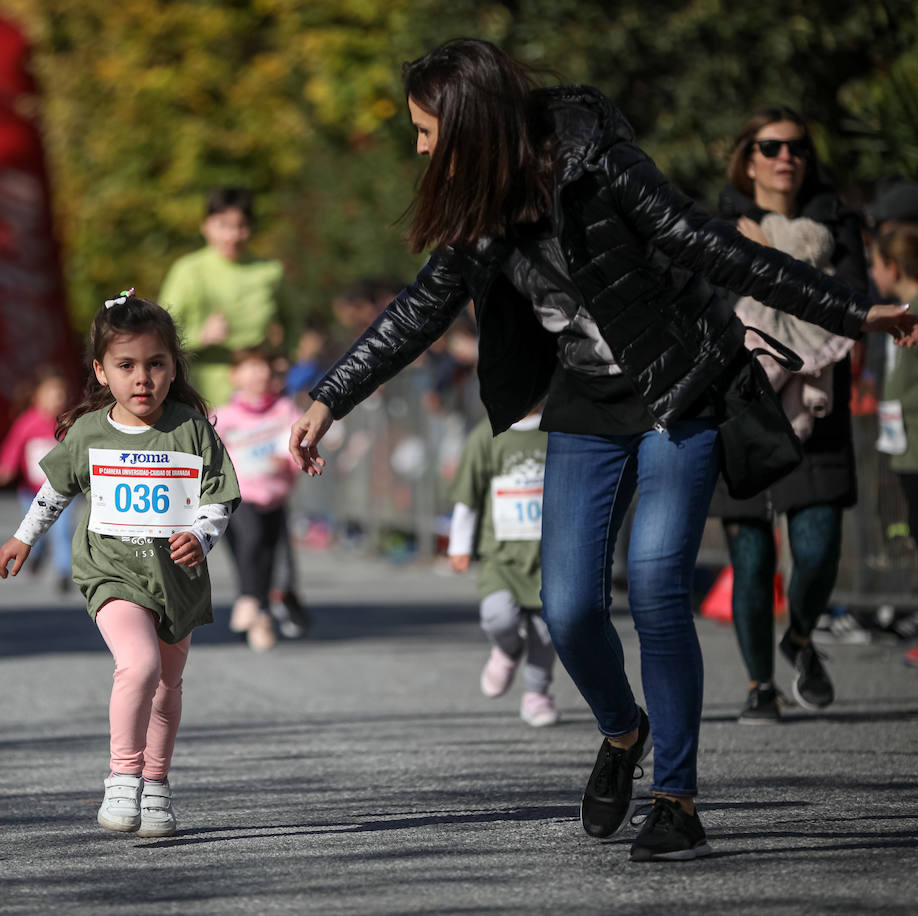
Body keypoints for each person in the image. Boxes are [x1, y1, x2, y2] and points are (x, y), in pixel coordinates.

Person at [287, 38, 917, 862]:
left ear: (470, 122)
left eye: (425, 129)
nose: (420, 146)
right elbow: (419, 310)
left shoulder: (595, 162)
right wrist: (331, 396)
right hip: (587, 403)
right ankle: (624, 732)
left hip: (679, 386)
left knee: (657, 583)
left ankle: (678, 800)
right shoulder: (477, 211)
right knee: (573, 606)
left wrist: (845, 308)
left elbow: (707, 243)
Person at [0, 291, 240, 838]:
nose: (143, 378)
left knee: (168, 687)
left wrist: (201, 535)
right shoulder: (88, 433)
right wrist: (23, 538)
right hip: (112, 574)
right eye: (127, 366)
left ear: (175, 367)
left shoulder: (192, 430)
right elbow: (53, 491)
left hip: (178, 580)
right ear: (101, 371)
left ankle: (156, 785)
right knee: (140, 665)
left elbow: (219, 498)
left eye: (156, 364)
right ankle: (123, 775)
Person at [710, 109, 870, 724]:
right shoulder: (717, 227)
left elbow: (854, 304)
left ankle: (799, 639)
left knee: (819, 546)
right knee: (751, 557)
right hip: (743, 403)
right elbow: (712, 305)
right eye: (770, 147)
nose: (786, 158)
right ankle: (759, 686)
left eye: (797, 148)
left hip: (817, 402)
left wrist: (769, 253)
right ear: (748, 159)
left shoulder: (839, 224)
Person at [447, 407, 558, 727]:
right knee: (498, 615)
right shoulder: (487, 434)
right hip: (500, 556)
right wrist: (459, 545)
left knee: (545, 631)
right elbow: (468, 497)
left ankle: (537, 694)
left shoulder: (557, 431)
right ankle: (508, 650)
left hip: (546, 555)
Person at [212, 347, 311, 650]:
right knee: (251, 542)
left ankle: (260, 616)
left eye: (265, 368)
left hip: (275, 496)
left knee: (268, 557)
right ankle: (249, 600)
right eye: (251, 367)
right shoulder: (223, 416)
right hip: (239, 497)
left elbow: (303, 438)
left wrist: (294, 454)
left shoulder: (284, 410)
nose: (260, 374)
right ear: (235, 375)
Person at [159, 188, 287, 407]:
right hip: (203, 392)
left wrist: (285, 359)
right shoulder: (187, 271)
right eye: (223, 225)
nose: (232, 235)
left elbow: (293, 318)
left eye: (241, 226)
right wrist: (200, 336)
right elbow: (159, 330)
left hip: (259, 390)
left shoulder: (270, 271)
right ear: (205, 226)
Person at [0, 367, 77, 591]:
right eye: (52, 394)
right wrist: (6, 466)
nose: (57, 400)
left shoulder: (68, 423)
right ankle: (37, 554)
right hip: (31, 492)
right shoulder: (27, 422)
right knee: (33, 530)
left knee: (63, 531)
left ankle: (63, 571)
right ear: (37, 396)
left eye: (61, 394)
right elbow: (14, 446)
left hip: (63, 491)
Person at [871, 226, 918, 562]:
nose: (872, 273)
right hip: (905, 445)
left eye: (875, 264)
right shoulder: (899, 310)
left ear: (893, 267)